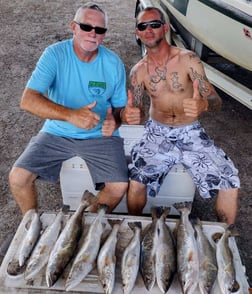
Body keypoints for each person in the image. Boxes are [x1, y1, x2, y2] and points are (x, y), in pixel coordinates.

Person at [8, 2, 138, 215]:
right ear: (73, 27)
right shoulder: (54, 54)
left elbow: (118, 109)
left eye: (100, 30)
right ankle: (30, 225)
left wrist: (118, 118)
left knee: (119, 186)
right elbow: (28, 100)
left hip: (100, 137)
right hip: (57, 131)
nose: (93, 34)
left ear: (104, 34)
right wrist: (70, 115)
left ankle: (83, 225)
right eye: (86, 27)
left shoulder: (113, 63)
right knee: (18, 177)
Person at [121, 7, 240, 225]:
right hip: (156, 133)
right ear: (137, 32)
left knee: (229, 182)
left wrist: (203, 104)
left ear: (165, 28)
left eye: (155, 24)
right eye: (142, 26)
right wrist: (130, 114)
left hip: (191, 132)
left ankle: (226, 239)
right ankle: (134, 231)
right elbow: (136, 108)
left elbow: (214, 100)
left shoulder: (188, 60)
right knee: (137, 181)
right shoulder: (138, 71)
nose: (148, 30)